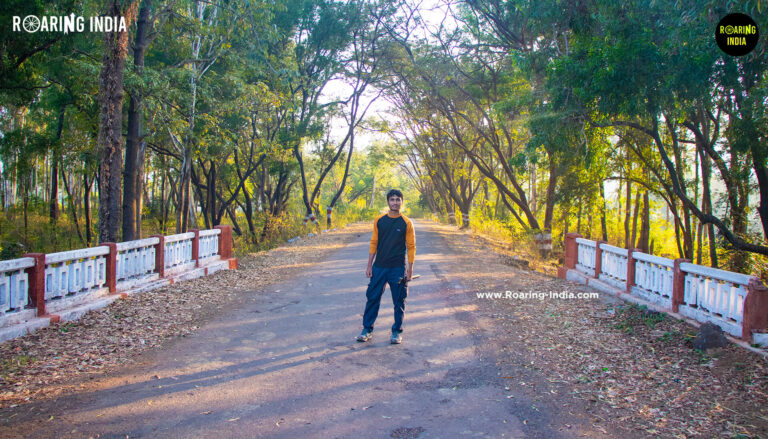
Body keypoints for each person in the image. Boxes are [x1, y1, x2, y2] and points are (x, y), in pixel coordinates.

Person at [357, 189, 415, 344]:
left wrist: (410, 269)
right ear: (388, 202)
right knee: (372, 298)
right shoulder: (379, 220)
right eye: (392, 199)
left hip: (397, 268)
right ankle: (367, 329)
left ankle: (397, 331)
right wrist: (369, 265)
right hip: (379, 267)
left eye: (398, 199)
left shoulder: (406, 223)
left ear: (402, 202)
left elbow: (411, 247)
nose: (395, 202)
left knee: (399, 300)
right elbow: (373, 242)